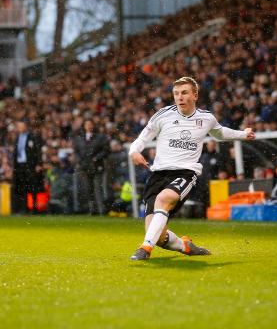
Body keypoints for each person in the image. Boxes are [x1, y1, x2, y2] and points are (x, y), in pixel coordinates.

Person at [128, 77, 254, 260]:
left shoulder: (206, 118)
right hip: (158, 174)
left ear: (195, 95)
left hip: (185, 173)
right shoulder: (163, 115)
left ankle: (145, 248)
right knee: (158, 234)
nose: (180, 97)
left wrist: (244, 134)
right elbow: (143, 137)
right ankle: (184, 245)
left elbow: (220, 133)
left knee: (164, 200)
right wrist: (134, 151)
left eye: (184, 92)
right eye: (176, 93)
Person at [72, 119, 110, 215]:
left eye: (90, 124)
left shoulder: (100, 137)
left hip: (97, 166)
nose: (89, 126)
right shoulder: (79, 138)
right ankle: (92, 210)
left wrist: (96, 158)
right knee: (88, 188)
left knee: (98, 188)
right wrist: (80, 160)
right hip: (85, 167)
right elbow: (76, 151)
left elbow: (106, 150)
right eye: (87, 124)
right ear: (84, 126)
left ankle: (101, 210)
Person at [12, 119, 43, 214]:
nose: (20, 128)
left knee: (32, 187)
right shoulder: (17, 138)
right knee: (23, 188)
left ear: (26, 126)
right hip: (20, 165)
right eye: (19, 126)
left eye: (21, 126)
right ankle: (25, 208)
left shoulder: (33, 137)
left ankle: (34, 208)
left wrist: (38, 164)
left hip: (30, 165)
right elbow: (16, 152)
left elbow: (38, 151)